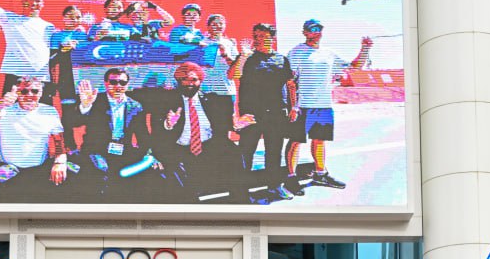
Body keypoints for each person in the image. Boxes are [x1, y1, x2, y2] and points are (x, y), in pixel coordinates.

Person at [284, 19, 370, 190]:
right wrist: (293, 106)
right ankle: (291, 178)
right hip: (303, 106)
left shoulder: (329, 53)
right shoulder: (296, 52)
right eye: (312, 29)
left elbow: (355, 66)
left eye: (319, 29)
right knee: (296, 141)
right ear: (304, 32)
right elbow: (290, 82)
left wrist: (365, 48)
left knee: (319, 140)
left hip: (324, 105)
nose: (316, 32)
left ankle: (320, 174)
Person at [153, 62, 241, 204]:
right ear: (178, 81)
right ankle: (190, 206)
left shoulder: (211, 100)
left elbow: (224, 125)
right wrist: (168, 124)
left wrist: (236, 126)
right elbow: (157, 131)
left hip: (208, 145)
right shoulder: (167, 101)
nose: (189, 83)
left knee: (235, 153)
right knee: (172, 167)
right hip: (180, 148)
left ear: (200, 81)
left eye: (194, 79)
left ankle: (240, 201)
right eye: (185, 79)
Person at [234, 23, 297, 202]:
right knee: (246, 153)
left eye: (263, 36)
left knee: (274, 152)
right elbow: (235, 75)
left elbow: (290, 85)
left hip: (276, 113)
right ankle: (241, 191)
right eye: (256, 36)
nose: (258, 39)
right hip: (251, 114)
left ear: (272, 38)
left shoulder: (282, 59)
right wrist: (242, 55)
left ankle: (275, 186)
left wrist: (293, 107)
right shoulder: (247, 58)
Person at [74, 68, 158, 203]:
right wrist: (85, 105)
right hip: (96, 150)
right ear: (106, 83)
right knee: (102, 171)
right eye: (113, 82)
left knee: (137, 176)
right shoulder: (95, 100)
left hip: (123, 149)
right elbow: (76, 121)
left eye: (122, 83)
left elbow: (143, 134)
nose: (118, 86)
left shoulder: (135, 106)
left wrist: (150, 155)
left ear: (127, 85)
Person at [0, 77, 69, 202]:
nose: (29, 95)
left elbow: (58, 140)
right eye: (24, 91)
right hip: (8, 167)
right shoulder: (5, 109)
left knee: (70, 173)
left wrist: (60, 163)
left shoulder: (49, 111)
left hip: (39, 168)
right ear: (17, 92)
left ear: (41, 93)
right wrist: (1, 103)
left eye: (35, 91)